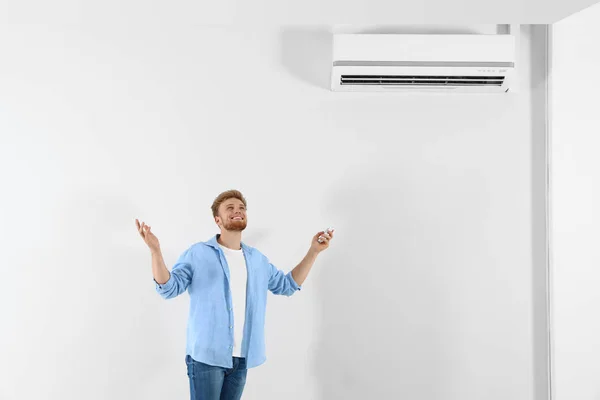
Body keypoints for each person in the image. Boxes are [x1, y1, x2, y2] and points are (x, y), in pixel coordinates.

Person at [135, 189, 334, 400]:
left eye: (241, 208)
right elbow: (168, 288)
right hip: (206, 358)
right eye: (230, 208)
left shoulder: (257, 260)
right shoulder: (198, 253)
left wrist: (314, 251)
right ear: (217, 219)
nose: (237, 211)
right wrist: (155, 251)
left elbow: (287, 285)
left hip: (240, 359)